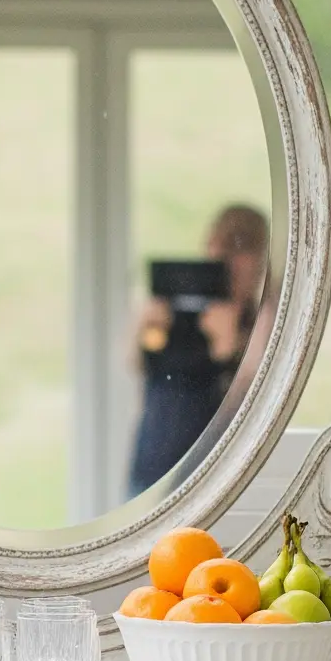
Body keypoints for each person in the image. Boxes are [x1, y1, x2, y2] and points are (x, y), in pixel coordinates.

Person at [127, 203, 273, 494]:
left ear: (259, 261)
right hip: (153, 465)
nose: (225, 258)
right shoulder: (179, 311)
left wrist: (230, 349)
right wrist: (142, 328)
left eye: (239, 246)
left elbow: (256, 410)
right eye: (218, 243)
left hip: (215, 480)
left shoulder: (261, 324)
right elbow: (137, 365)